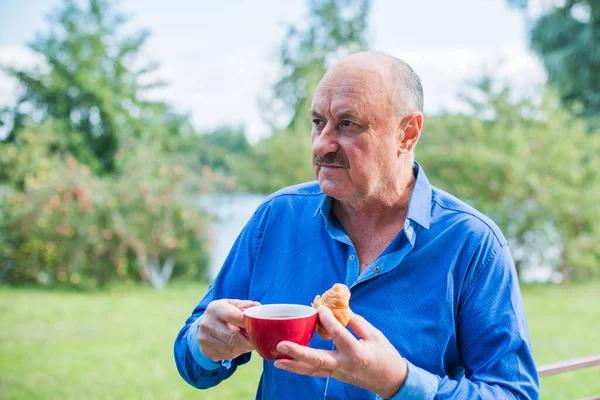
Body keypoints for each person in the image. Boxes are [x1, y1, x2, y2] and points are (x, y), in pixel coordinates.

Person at [174, 51, 540, 399]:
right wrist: (205, 345)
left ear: (407, 133)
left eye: (348, 124)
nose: (322, 145)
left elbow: (513, 392)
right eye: (318, 123)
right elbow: (192, 356)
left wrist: (399, 383)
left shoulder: (472, 245)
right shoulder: (275, 219)